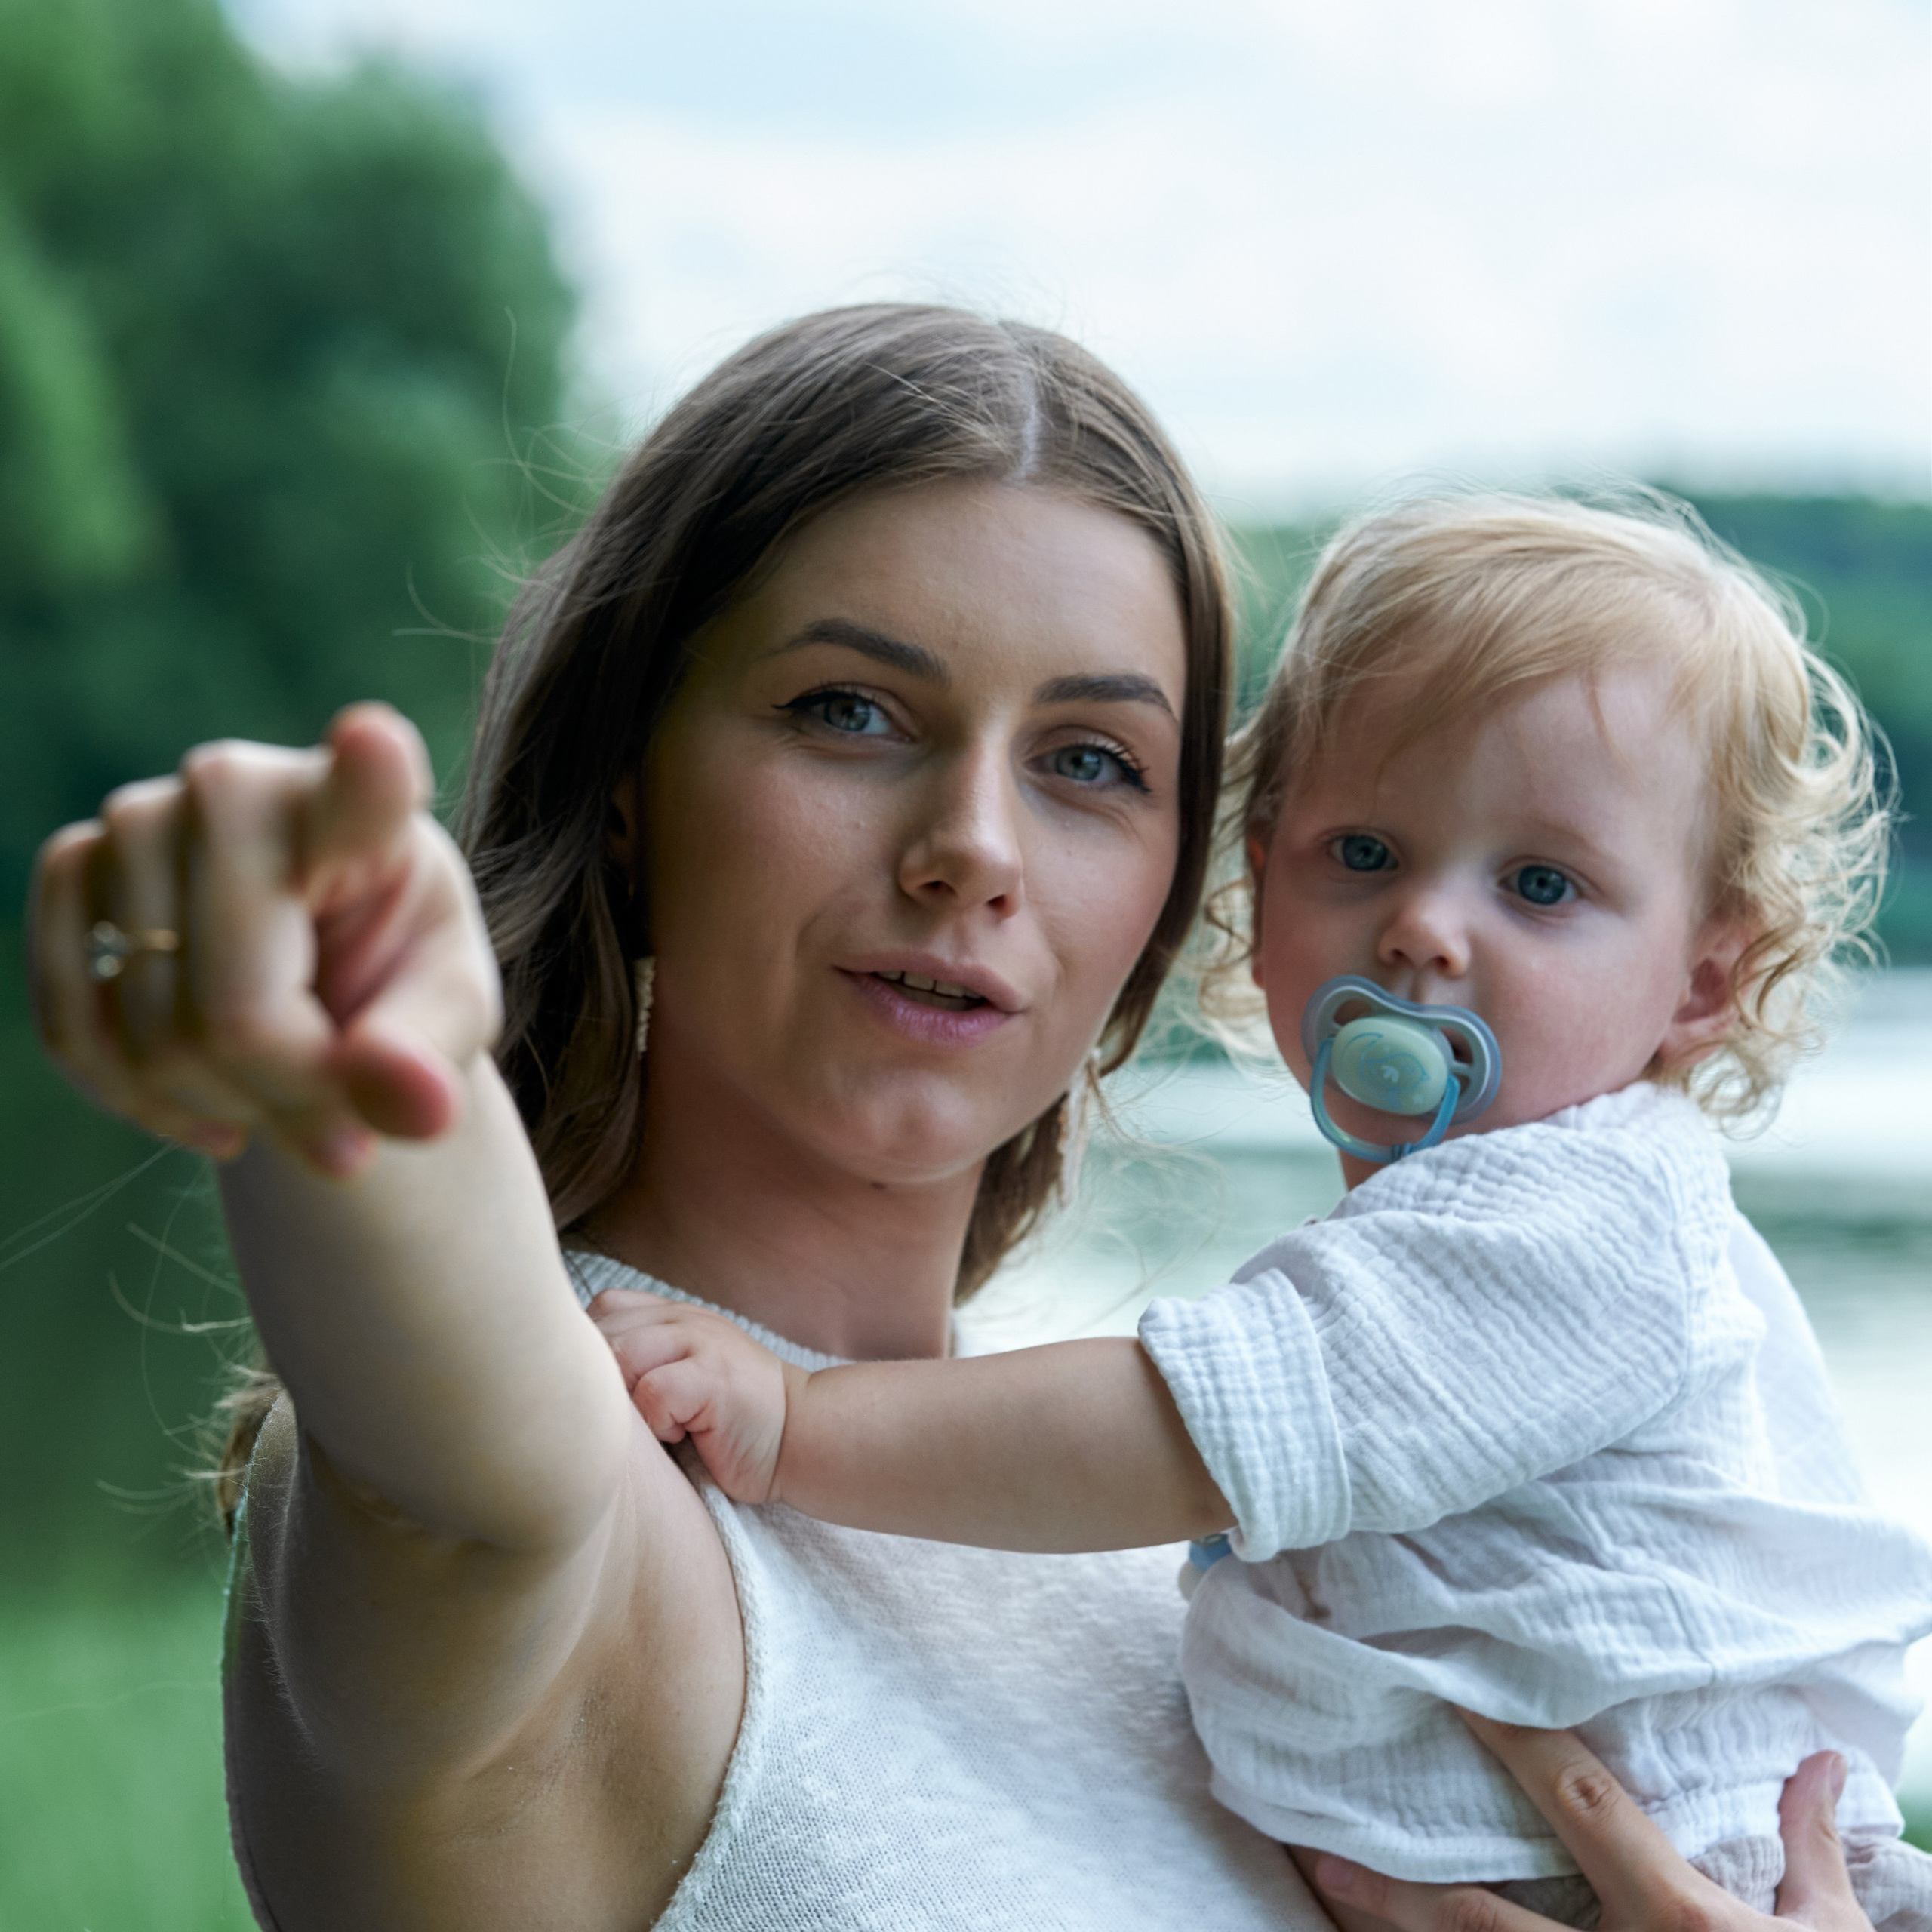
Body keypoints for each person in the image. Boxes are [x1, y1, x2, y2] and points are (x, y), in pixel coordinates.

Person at [26, 309, 1882, 1932]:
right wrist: (360, 1079)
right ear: (623, 787)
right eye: (847, 709)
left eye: (1087, 761)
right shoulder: (596, 1500)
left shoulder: (1216, 1587)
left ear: (1170, 886)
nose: (971, 847)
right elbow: (463, 1472)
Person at [587, 493, 1932, 1930]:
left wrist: (797, 1420)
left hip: (1689, 1857)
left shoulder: (1581, 1221)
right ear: (1256, 881)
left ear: (1704, 983)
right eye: (1364, 854)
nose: (1425, 926)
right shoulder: (1451, 1237)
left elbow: (1194, 1426)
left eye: (1541, 884)